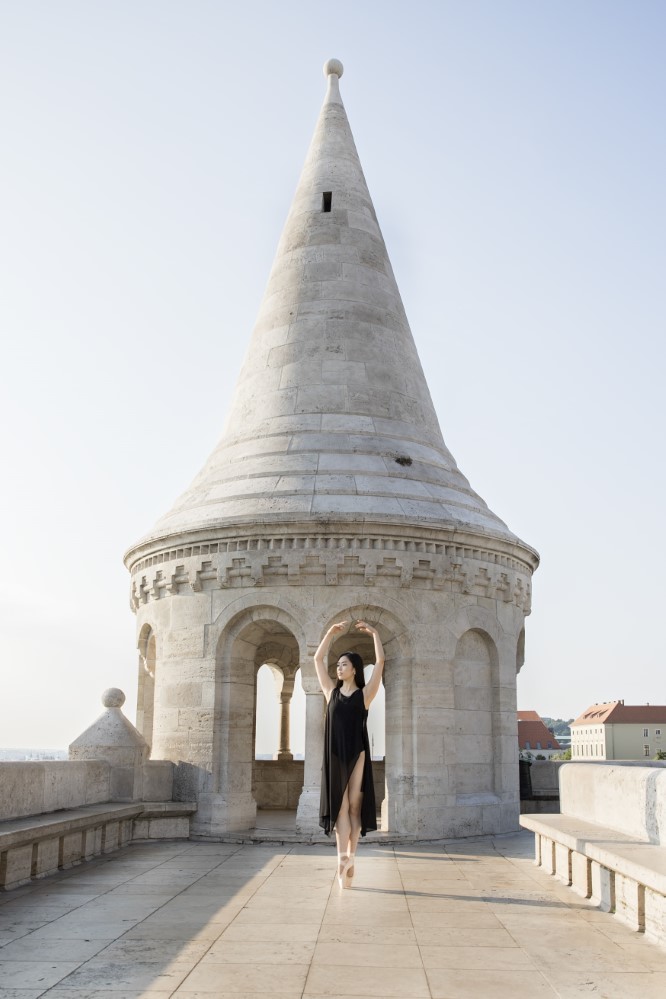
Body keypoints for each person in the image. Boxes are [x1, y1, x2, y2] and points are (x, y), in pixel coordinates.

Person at [314, 618, 385, 888]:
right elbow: (317, 660)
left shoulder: (365, 695)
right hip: (334, 754)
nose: (338, 667)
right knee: (339, 809)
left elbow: (379, 664)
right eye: (338, 664)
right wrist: (330, 634)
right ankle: (342, 859)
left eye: (344, 664)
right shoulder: (330, 692)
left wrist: (375, 633)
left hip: (357, 753)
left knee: (354, 809)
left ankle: (351, 857)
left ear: (354, 669)